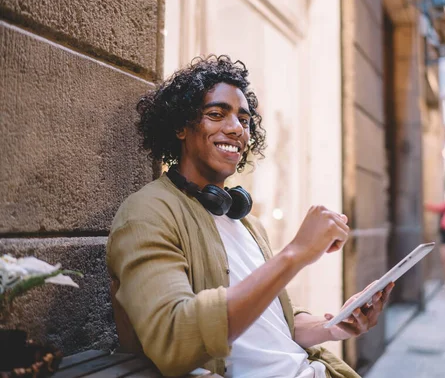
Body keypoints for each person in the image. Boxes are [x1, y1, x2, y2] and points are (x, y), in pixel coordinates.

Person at [106, 55, 391, 377]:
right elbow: (174, 337)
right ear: (179, 127)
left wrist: (335, 325)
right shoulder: (147, 212)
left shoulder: (245, 221)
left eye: (244, 120)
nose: (235, 129)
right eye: (216, 114)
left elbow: (275, 321)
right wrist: (295, 254)